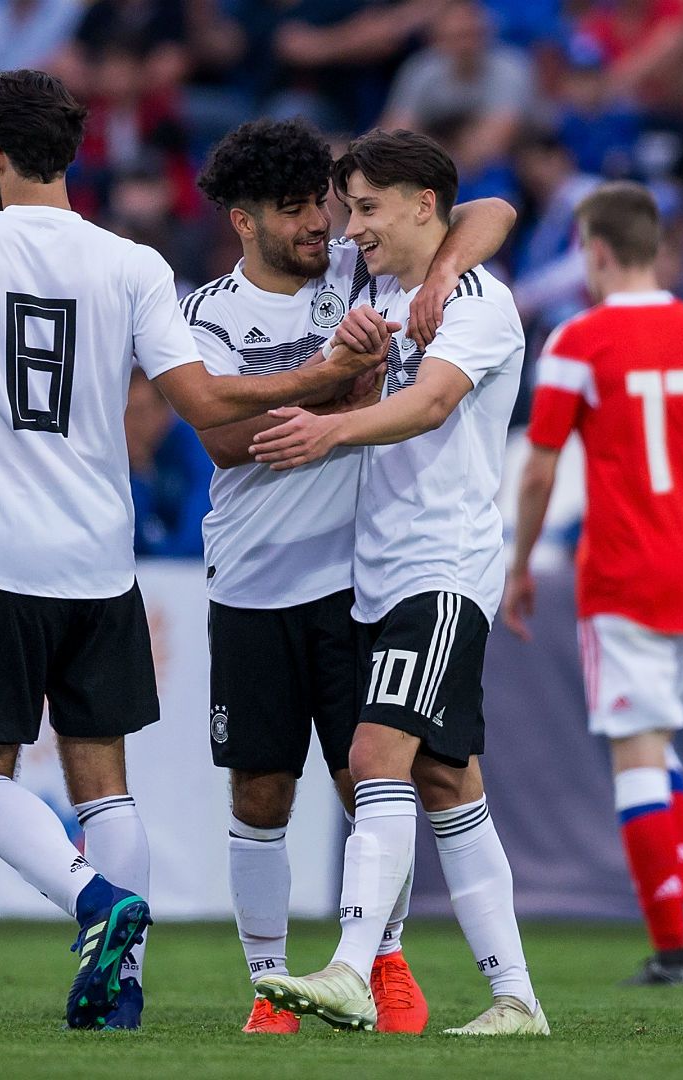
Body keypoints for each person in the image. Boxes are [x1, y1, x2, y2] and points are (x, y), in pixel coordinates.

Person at [0, 69, 389, 1032]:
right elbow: (202, 405)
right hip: (101, 563)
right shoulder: (134, 264)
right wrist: (324, 374)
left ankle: (97, 905)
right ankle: (122, 987)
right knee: (103, 775)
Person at [185, 117, 517, 1036]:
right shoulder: (209, 312)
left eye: (328, 210)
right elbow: (221, 436)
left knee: (371, 780)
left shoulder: (355, 274)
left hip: (350, 581)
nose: (323, 229)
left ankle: (379, 962)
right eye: (296, 213)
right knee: (260, 792)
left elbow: (486, 208)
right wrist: (337, 381)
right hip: (250, 580)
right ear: (243, 221)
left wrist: (443, 272)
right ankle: (269, 986)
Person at [505, 181, 683, 985]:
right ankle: (681, 924)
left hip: (627, 574)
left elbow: (542, 467)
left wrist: (519, 562)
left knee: (639, 753)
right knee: (663, 745)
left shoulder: (578, 341)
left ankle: (671, 948)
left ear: (599, 250)